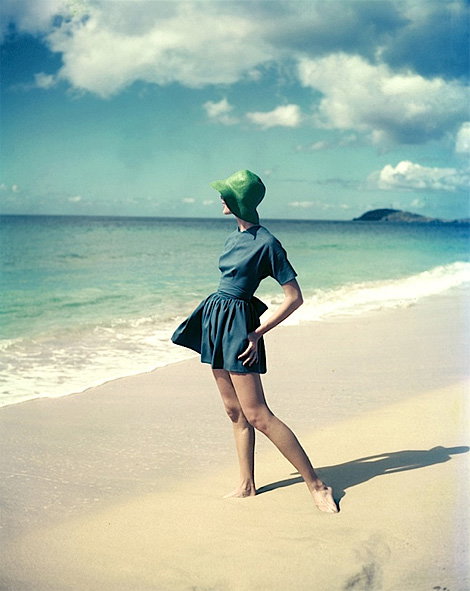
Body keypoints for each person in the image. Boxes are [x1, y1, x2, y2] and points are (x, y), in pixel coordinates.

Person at [171, 170, 338, 513]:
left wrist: (258, 332)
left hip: (238, 327)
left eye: (227, 194)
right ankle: (247, 484)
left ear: (239, 201)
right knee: (234, 412)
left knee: (258, 414)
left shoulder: (268, 243)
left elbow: (294, 297)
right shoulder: (233, 237)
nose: (220, 198)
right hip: (216, 320)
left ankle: (317, 485)